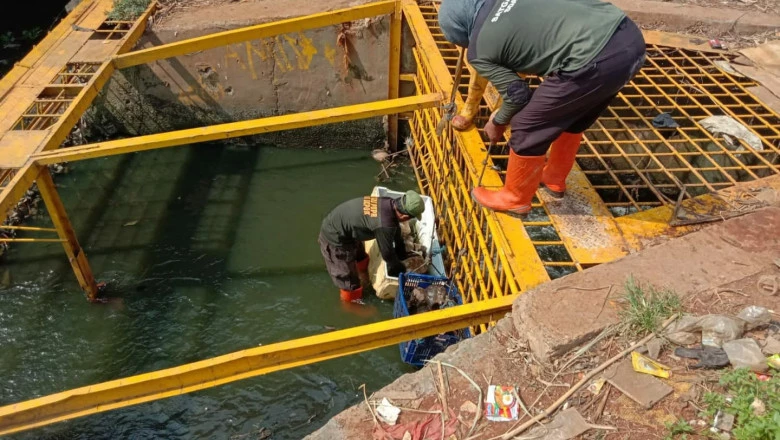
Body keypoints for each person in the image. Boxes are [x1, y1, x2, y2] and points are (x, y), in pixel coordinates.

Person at [439, 0, 646, 215]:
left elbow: (518, 94)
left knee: (526, 125)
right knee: (574, 113)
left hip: (593, 58)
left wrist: (498, 121)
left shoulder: (479, 48)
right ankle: (554, 179)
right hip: (628, 40)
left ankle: (515, 199)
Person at [319, 190, 425, 301]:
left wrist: (401, 252)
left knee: (361, 257)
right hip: (334, 239)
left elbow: (396, 230)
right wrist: (401, 270)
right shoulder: (385, 223)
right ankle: (351, 303)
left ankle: (363, 273)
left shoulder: (388, 203)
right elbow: (387, 254)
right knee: (349, 281)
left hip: (347, 229)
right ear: (404, 216)